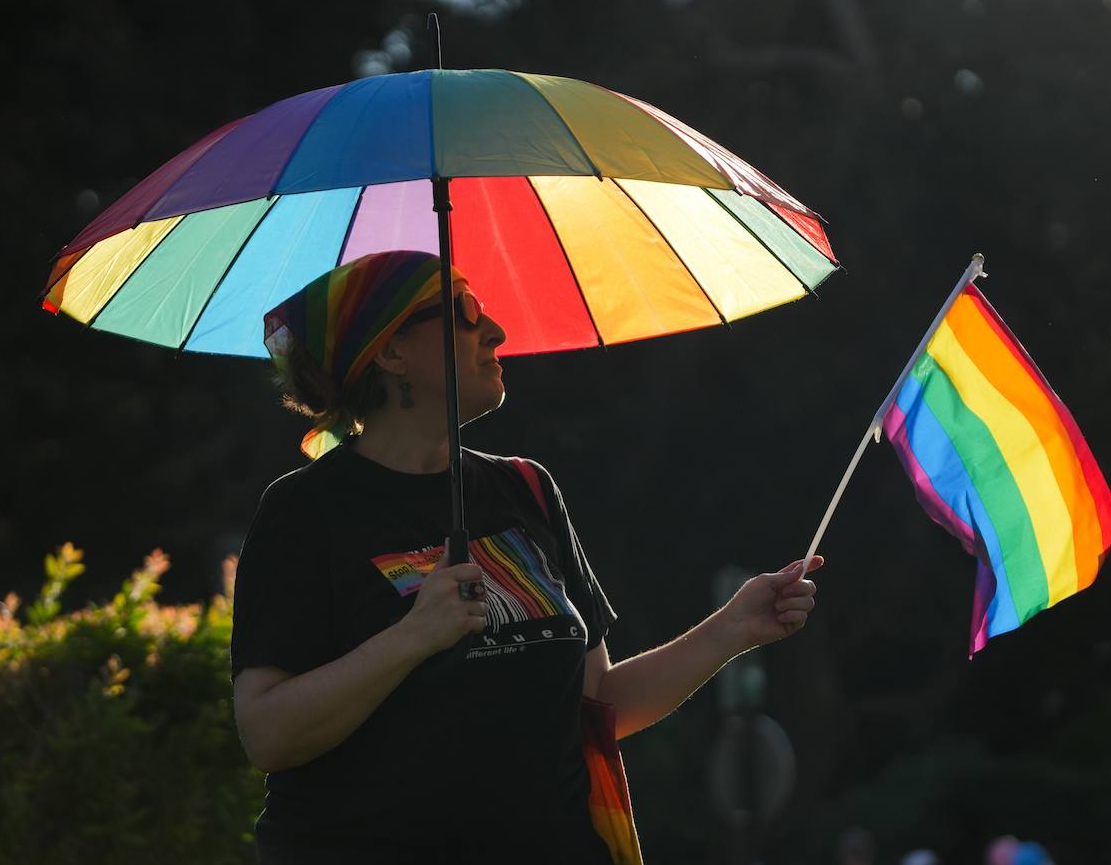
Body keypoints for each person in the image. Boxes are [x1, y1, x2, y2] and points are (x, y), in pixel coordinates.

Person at [230, 250, 823, 864]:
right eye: (464, 314)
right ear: (392, 351)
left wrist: (732, 628)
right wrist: (412, 638)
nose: (496, 331)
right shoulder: (305, 512)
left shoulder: (525, 490)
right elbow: (267, 733)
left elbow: (597, 703)